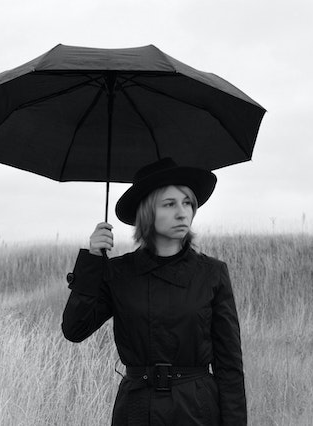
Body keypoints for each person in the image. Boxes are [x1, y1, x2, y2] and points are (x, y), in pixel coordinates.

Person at [62, 158, 246, 425]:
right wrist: (92, 261)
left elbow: (229, 367)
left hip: (196, 410)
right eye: (169, 204)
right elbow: (74, 329)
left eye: (187, 203)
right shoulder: (119, 273)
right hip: (137, 410)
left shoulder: (212, 273)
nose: (183, 212)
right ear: (147, 213)